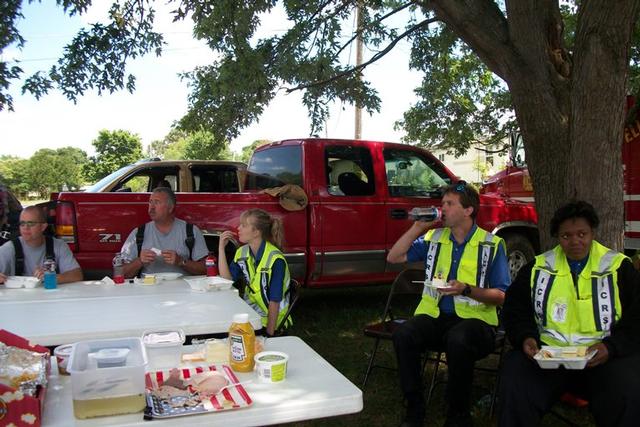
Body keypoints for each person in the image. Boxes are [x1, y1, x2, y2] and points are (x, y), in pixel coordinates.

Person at [499, 200, 640, 427]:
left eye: (582, 234)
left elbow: (637, 317)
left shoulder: (616, 267)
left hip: (603, 359)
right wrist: (525, 336)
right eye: (566, 236)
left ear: (592, 232)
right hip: (548, 358)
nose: (575, 241)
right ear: (557, 237)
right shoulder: (538, 266)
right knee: (515, 379)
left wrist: (612, 346)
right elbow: (515, 308)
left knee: (629, 388)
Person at [387, 181, 510, 427]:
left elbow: (501, 295)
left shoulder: (491, 244)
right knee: (404, 334)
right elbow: (394, 257)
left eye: (449, 203)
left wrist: (466, 289)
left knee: (459, 338)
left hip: (477, 324)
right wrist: (416, 227)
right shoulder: (434, 237)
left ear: (468, 210)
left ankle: (458, 415)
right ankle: (414, 408)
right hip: (435, 317)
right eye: (442, 203)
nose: (442, 208)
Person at [218, 208, 291, 336]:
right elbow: (227, 281)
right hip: (251, 316)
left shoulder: (275, 259)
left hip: (271, 322)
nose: (238, 228)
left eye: (243, 225)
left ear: (256, 232)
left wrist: (270, 334)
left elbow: (275, 301)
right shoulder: (243, 252)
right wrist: (221, 249)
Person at [120, 187, 208, 277]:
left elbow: (207, 269)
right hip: (148, 288)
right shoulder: (138, 233)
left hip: (182, 290)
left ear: (170, 208)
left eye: (157, 202)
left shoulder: (190, 231)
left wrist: (181, 262)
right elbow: (120, 273)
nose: (152, 207)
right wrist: (139, 261)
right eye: (150, 202)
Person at [0, 205, 83, 284]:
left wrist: (52, 277)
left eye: (31, 223)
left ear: (43, 227)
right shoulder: (9, 248)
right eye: (22, 223)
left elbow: (77, 275)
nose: (25, 227)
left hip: (50, 297)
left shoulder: (59, 246)